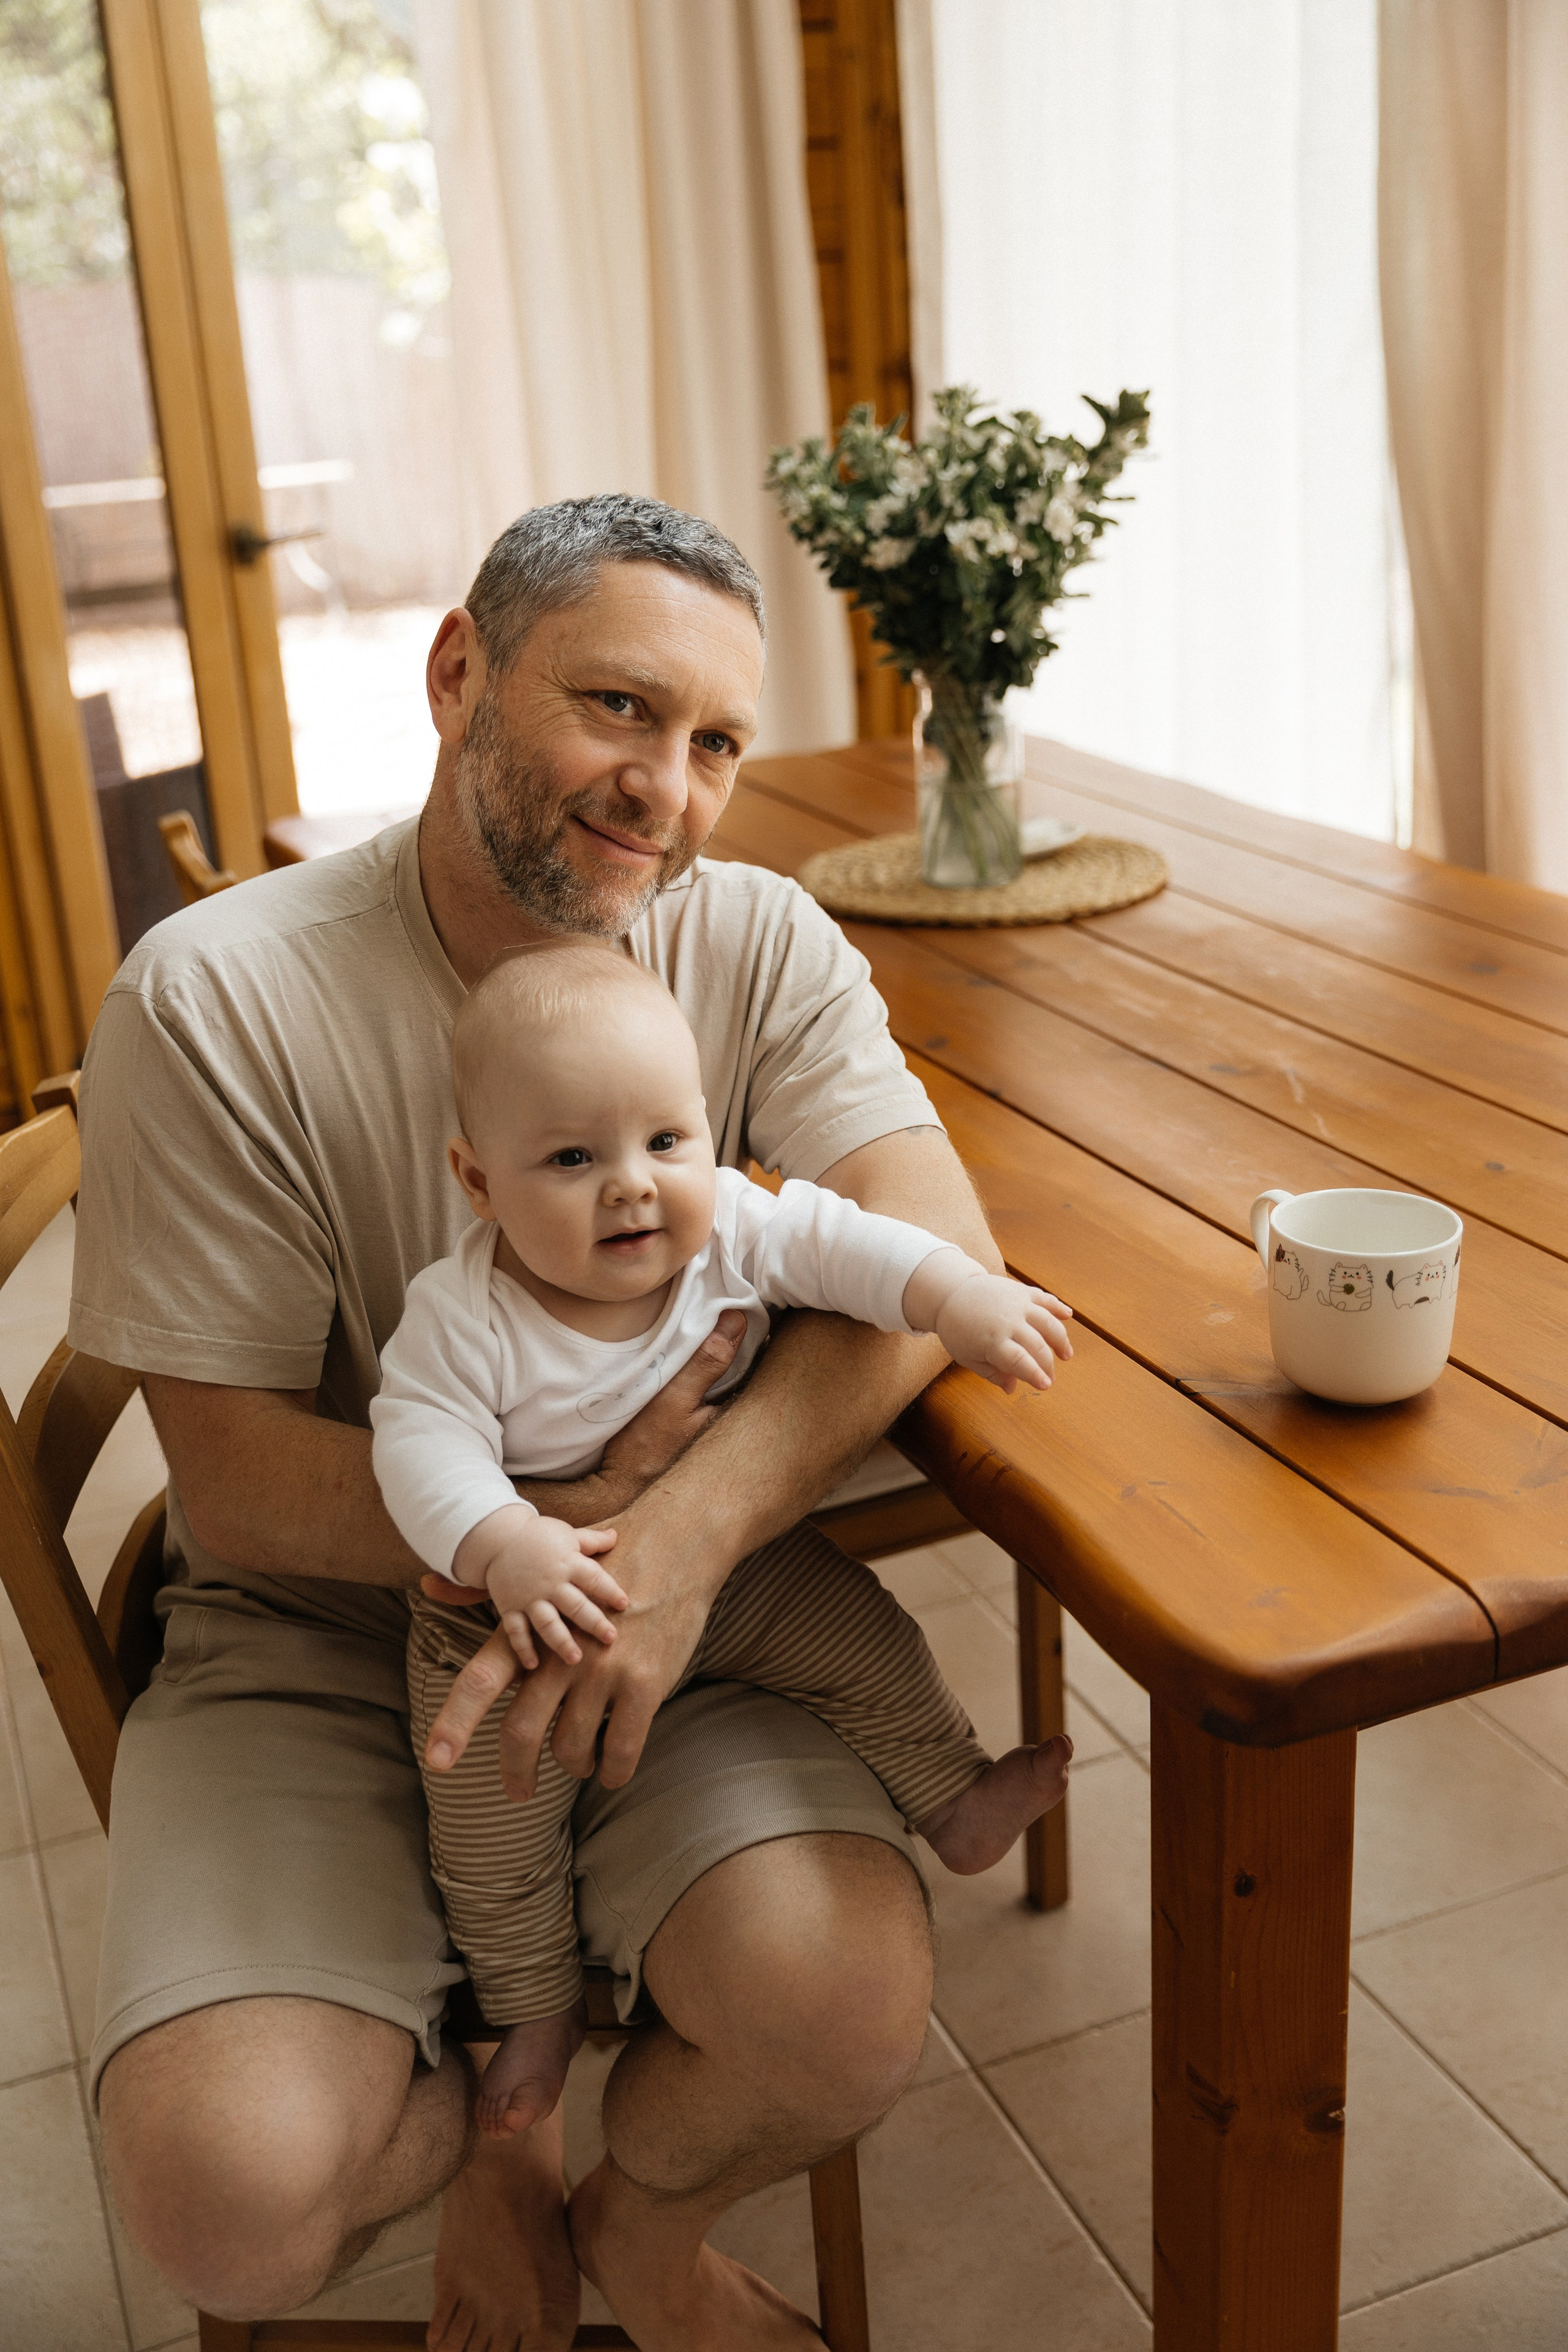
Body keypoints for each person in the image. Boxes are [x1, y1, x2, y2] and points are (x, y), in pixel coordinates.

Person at [72, 494, 1014, 2352]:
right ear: (458, 675)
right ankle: (496, 2131)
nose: (666, 788)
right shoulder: (210, 997)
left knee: (837, 2011)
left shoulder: (758, 938)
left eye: (716, 743)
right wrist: (585, 1531)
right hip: (327, 1641)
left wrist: (678, 1544)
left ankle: (639, 2215)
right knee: (228, 2204)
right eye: (618, 709)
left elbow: (939, 1259)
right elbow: (246, 1490)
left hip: (694, 1620)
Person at [372, 940, 1075, 2140]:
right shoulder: (467, 1310)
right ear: (478, 1182)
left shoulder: (733, 1228)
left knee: (863, 1635)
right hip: (511, 1617)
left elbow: (853, 1244)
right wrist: (501, 1540)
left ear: (706, 1133)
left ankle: (948, 1797)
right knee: (491, 1828)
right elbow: (415, 1445)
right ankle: (532, 2004)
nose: (631, 1186)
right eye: (569, 1158)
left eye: (664, 1141)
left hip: (730, 1573)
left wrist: (956, 1298)